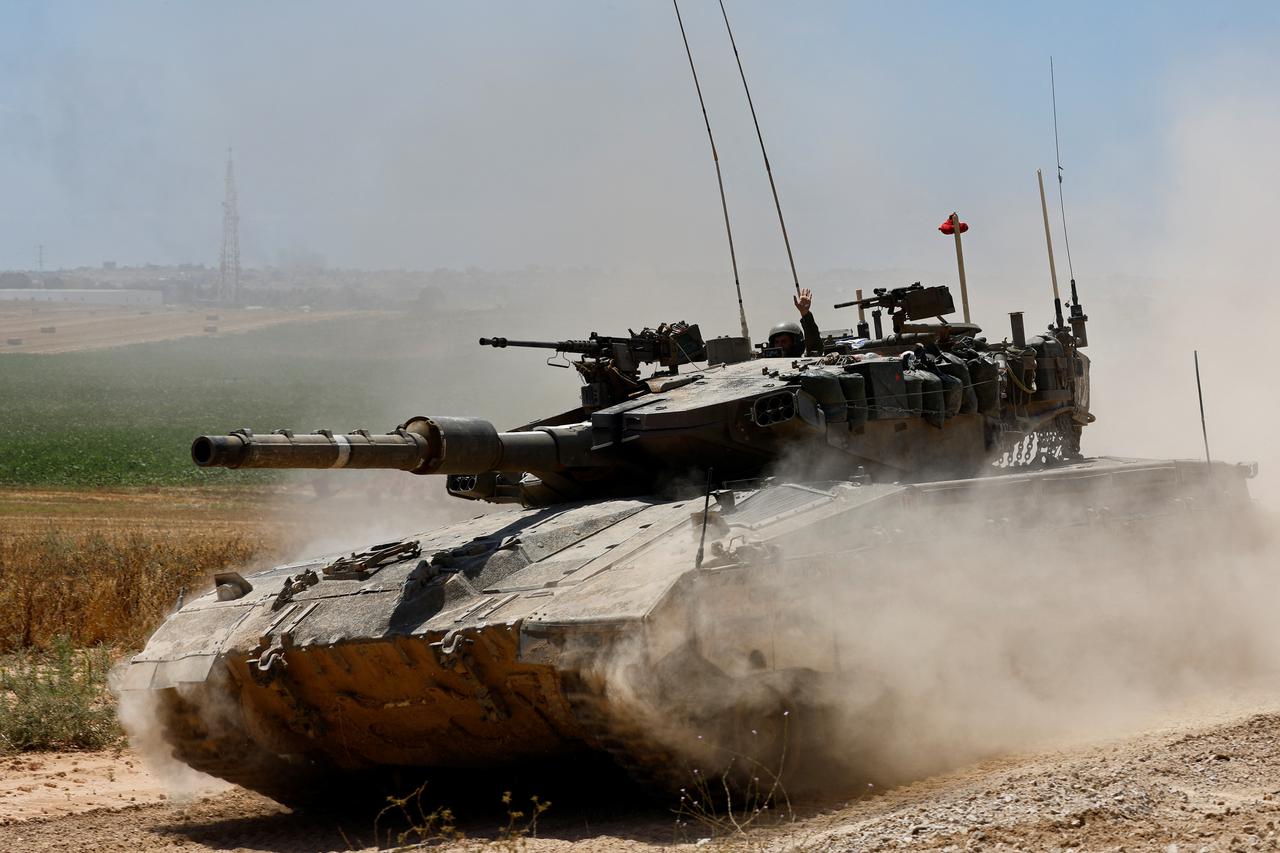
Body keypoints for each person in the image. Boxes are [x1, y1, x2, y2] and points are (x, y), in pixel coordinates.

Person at [766, 287, 822, 357]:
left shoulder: (806, 362)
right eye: (776, 342)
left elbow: (814, 343)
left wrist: (805, 315)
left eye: (784, 341)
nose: (780, 346)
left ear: (795, 343)